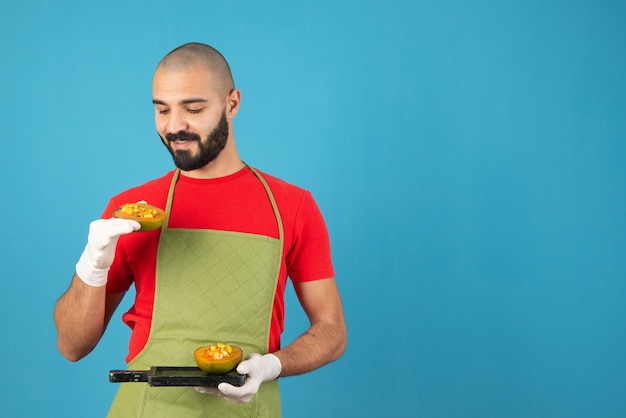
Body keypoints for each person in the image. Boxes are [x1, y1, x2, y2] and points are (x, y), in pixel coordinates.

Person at [54, 42, 347, 417]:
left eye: (193, 109)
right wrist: (91, 267)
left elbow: (332, 330)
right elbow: (71, 346)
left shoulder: (292, 207)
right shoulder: (133, 210)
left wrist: (272, 365)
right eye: (162, 109)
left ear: (232, 103)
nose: (175, 125)